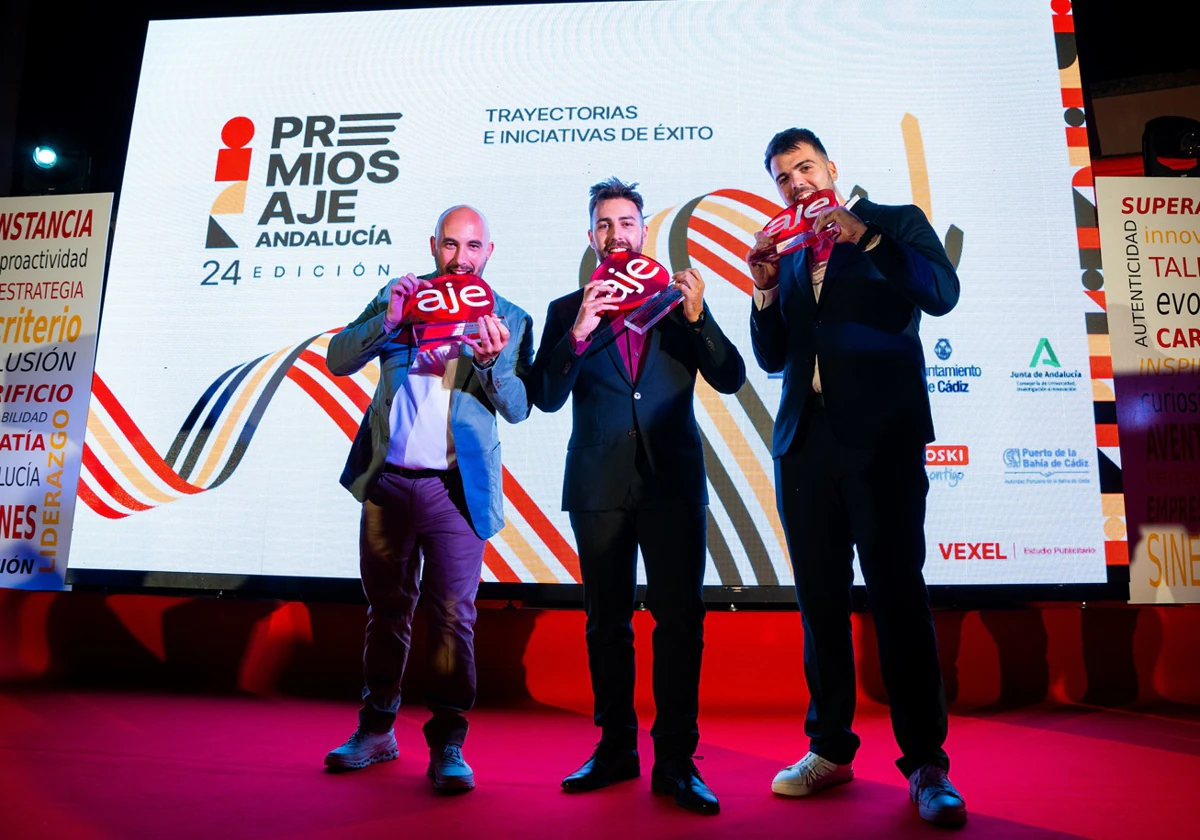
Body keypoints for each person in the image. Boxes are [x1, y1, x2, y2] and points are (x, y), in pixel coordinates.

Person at [746, 129, 967, 827]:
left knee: (899, 598)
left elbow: (941, 294)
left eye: (806, 168)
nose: (798, 183)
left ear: (832, 169)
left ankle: (927, 764)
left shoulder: (895, 223)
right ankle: (830, 751)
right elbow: (774, 355)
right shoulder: (787, 253)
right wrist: (760, 288)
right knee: (819, 604)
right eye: (784, 177)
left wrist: (867, 237)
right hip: (804, 443)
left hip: (882, 443)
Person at [531, 178, 746, 815]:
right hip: (597, 485)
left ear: (644, 230)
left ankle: (677, 761)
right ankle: (617, 747)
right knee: (606, 623)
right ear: (591, 236)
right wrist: (577, 334)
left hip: (673, 482)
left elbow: (731, 378)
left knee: (681, 620)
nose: (616, 234)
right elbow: (544, 396)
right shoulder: (568, 307)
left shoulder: (677, 300)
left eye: (627, 223)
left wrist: (699, 319)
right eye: (604, 224)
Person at [323, 205, 533, 794]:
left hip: (456, 492)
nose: (460, 257)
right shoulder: (400, 296)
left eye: (472, 247)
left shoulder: (509, 317)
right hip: (388, 484)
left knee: (451, 618)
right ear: (433, 246)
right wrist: (386, 322)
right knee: (387, 611)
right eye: (449, 245)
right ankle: (377, 729)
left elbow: (518, 407)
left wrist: (491, 364)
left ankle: (447, 744)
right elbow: (339, 359)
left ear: (489, 252)